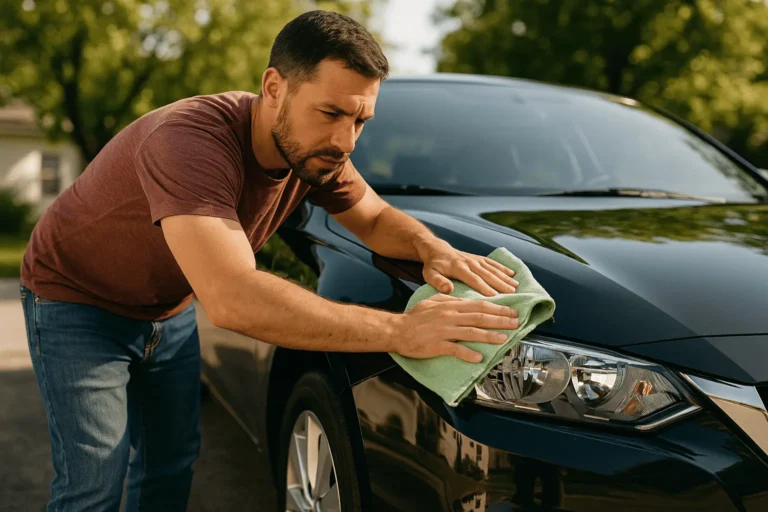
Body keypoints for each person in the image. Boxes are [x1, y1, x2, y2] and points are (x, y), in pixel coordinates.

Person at [19, 9, 521, 511]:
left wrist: (431, 248)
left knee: (169, 463)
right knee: (94, 485)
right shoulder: (190, 143)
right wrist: (402, 332)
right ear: (274, 86)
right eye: (330, 114)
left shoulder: (315, 154)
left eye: (360, 120)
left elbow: (372, 218)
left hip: (165, 311)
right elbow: (234, 299)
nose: (346, 141)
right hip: (76, 302)